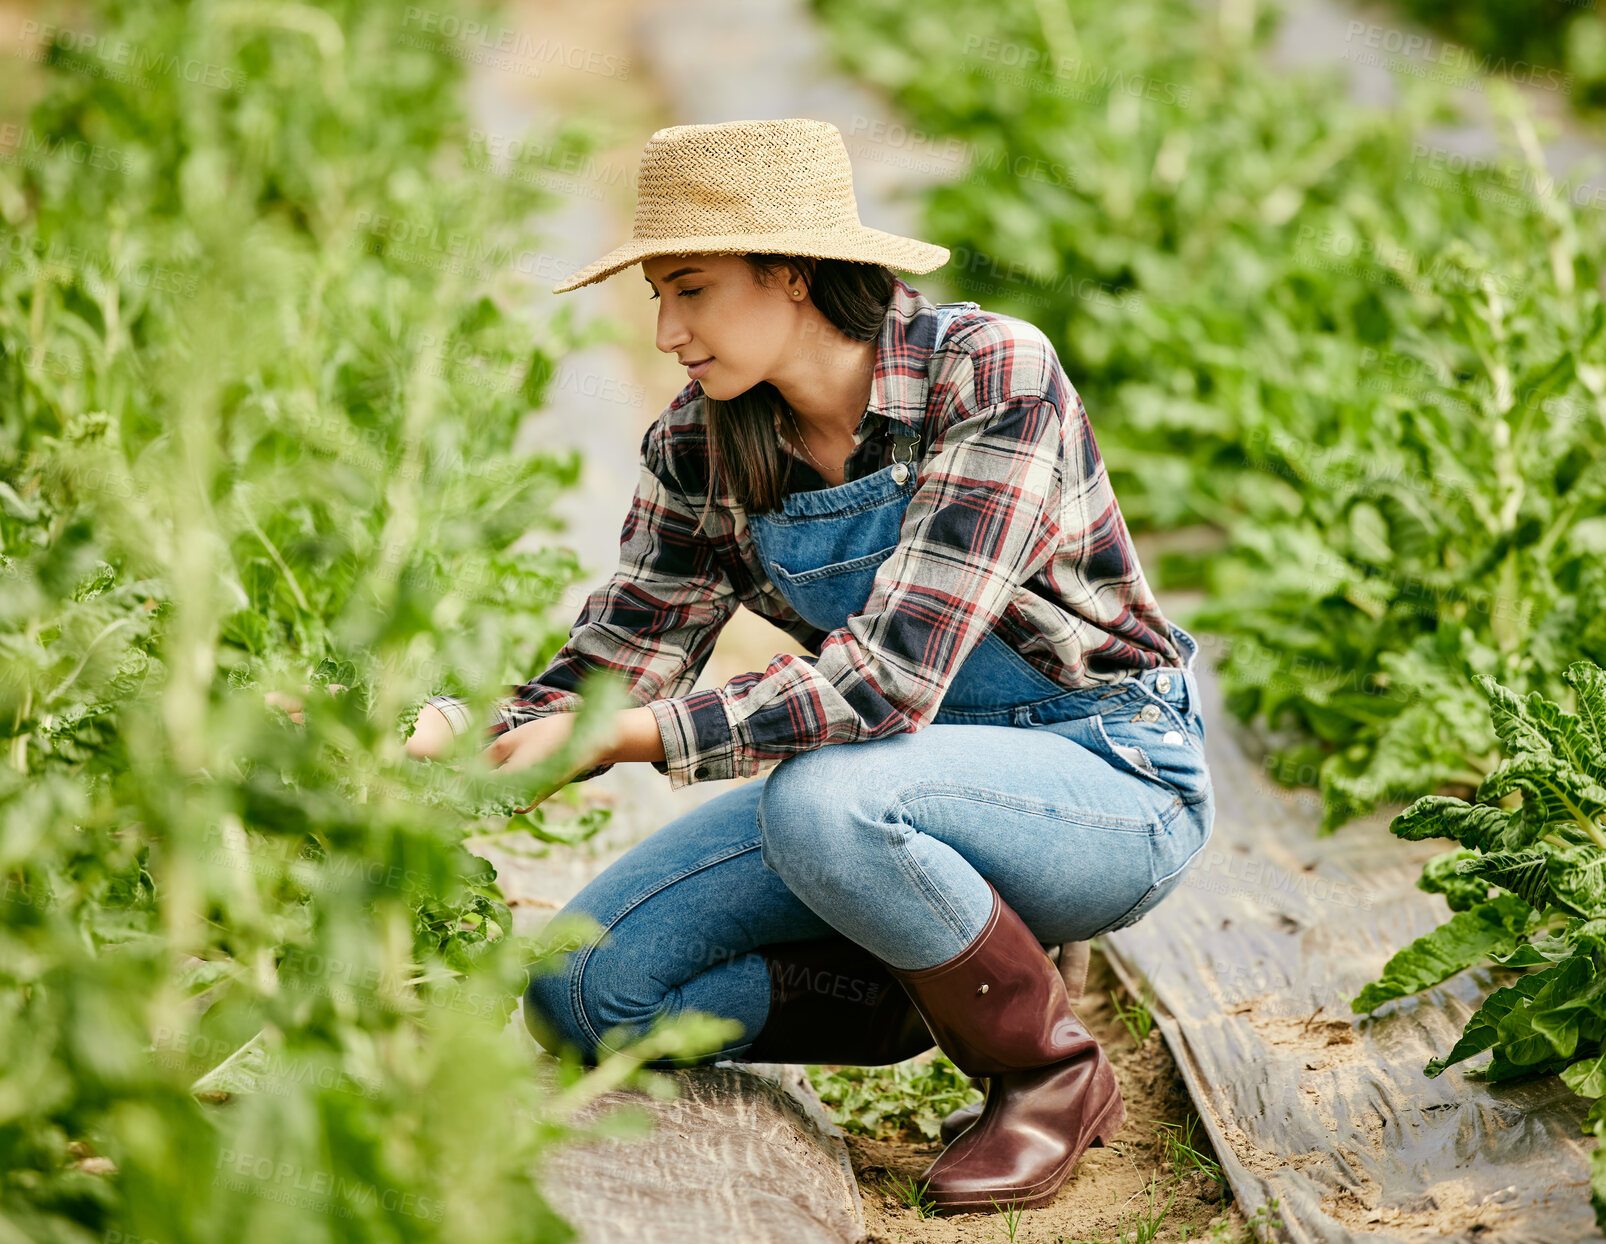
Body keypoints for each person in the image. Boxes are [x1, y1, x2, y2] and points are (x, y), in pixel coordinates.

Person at [413, 118, 1214, 1217]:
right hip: (899, 783)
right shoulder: (703, 443)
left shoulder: (988, 373)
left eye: (688, 288)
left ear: (789, 269)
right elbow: (624, 653)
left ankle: (1045, 1072)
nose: (664, 330)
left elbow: (885, 681)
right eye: (657, 294)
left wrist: (636, 738)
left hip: (1105, 770)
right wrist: (467, 733)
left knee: (822, 799)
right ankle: (918, 979)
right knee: (585, 985)